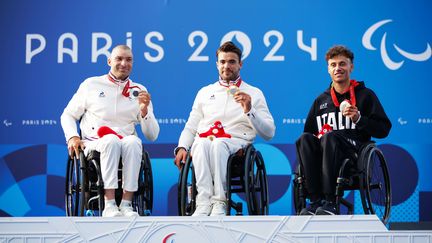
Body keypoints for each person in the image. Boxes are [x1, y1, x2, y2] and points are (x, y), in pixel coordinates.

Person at [174, 41, 276, 216]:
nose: (226, 66)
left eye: (231, 62)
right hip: (206, 141)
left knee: (218, 143)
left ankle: (220, 201)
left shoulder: (253, 93)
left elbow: (269, 133)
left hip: (237, 144)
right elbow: (191, 126)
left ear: (240, 64)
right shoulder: (205, 92)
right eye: (222, 62)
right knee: (199, 144)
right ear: (217, 64)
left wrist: (249, 109)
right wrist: (182, 146)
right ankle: (203, 202)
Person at [61, 45, 159, 217]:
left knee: (134, 142)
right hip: (95, 142)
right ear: (109, 61)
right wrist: (72, 137)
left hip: (125, 141)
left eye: (128, 60)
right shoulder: (91, 84)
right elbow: (68, 115)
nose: (124, 63)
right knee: (111, 141)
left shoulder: (139, 91)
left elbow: (152, 135)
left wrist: (144, 111)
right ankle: (110, 203)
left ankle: (127, 204)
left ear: (133, 63)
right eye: (119, 59)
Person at [296, 45, 392, 215]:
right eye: (333, 65)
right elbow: (309, 134)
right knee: (304, 139)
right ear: (328, 69)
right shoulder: (320, 101)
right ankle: (316, 201)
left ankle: (331, 202)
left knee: (330, 137)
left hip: (353, 156)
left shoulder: (365, 95)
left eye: (342, 64)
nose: (338, 68)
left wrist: (359, 119)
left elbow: (384, 129)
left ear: (351, 67)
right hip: (324, 158)